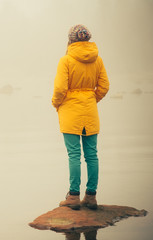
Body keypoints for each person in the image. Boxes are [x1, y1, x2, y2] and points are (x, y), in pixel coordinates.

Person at [52, 24, 109, 210]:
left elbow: (60, 89)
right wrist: (92, 99)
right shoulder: (97, 60)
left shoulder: (66, 60)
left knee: (74, 155)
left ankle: (73, 197)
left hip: (70, 112)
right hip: (90, 111)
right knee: (92, 155)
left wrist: (57, 103)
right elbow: (104, 87)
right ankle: (91, 196)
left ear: (71, 40)